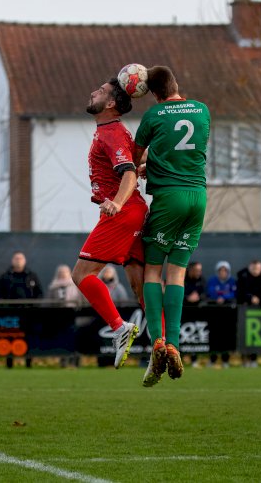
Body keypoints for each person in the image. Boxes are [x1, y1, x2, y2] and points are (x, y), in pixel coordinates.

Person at [134, 65, 210, 386]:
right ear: (176, 84)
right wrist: (158, 163)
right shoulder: (202, 110)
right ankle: (176, 344)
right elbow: (183, 149)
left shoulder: (153, 116)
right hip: (198, 196)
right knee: (177, 272)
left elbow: (135, 155)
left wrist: (143, 165)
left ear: (154, 94)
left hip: (169, 198)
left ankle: (158, 341)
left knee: (153, 270)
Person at [70, 77, 146, 372]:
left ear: (111, 103)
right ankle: (164, 343)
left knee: (82, 274)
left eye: (100, 91)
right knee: (141, 287)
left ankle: (119, 328)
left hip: (122, 212)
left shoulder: (111, 132)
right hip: (133, 210)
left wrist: (116, 202)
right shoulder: (114, 131)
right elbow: (134, 165)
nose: (93, 91)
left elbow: (127, 174)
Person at [0, 251, 43, 368]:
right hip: (10, 315)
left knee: (28, 338)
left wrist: (33, 308)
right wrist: (5, 308)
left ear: (24, 261)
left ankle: (28, 363)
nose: (18, 260)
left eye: (20, 258)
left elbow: (39, 294)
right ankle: (9, 363)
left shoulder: (32, 276)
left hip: (28, 314)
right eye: (16, 258)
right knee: (10, 338)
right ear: (12, 261)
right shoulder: (5, 276)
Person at [183, 261, 207, 368]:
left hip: (196, 311)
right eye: (196, 270)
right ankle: (177, 359)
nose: (199, 272)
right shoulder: (181, 277)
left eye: (200, 270)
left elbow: (205, 294)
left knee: (195, 336)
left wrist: (199, 297)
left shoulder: (202, 279)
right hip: (182, 311)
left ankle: (194, 360)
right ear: (190, 270)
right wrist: (187, 298)